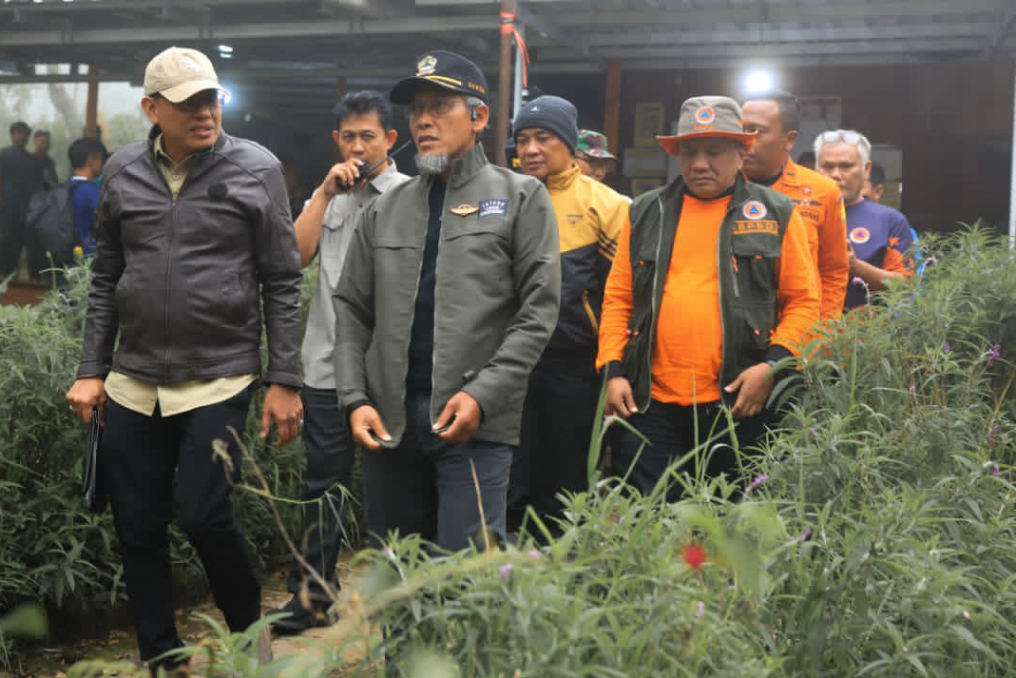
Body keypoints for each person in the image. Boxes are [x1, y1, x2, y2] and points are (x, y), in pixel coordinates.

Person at [65, 46, 303, 673]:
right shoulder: (122, 171)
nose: (205, 113)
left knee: (203, 513)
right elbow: (106, 278)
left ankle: (249, 633)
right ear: (152, 109)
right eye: (188, 103)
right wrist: (91, 370)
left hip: (219, 376)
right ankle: (163, 656)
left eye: (211, 99)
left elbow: (283, 280)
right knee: (136, 524)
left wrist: (284, 378)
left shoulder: (256, 169)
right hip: (133, 380)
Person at [333, 50, 560, 552]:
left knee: (464, 576)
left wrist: (483, 393)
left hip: (475, 423)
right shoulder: (386, 208)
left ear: (479, 117)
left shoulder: (520, 197)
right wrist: (355, 398)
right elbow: (350, 308)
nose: (424, 121)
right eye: (417, 110)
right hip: (390, 424)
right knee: (397, 576)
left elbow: (538, 310)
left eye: (440, 106)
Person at [597, 96, 819, 500]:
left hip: (739, 401)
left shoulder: (775, 213)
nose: (700, 164)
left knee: (734, 519)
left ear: (741, 152)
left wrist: (771, 368)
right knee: (652, 518)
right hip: (650, 404)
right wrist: (613, 371)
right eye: (690, 152)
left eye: (714, 152)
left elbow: (804, 302)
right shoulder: (645, 212)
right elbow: (618, 299)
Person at [271, 91, 410, 635]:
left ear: (390, 139)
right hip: (326, 364)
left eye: (367, 136)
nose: (357, 147)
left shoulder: (410, 195)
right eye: (348, 137)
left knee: (391, 486)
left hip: (388, 370)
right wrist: (324, 194)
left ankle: (396, 595)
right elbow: (293, 258)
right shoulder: (325, 194)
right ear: (336, 140)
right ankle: (311, 597)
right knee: (322, 485)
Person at [508, 96, 629, 534]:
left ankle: (561, 557)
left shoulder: (607, 204)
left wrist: (616, 366)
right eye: (523, 139)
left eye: (544, 138)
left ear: (569, 143)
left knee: (566, 474)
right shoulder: (502, 197)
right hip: (508, 364)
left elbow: (624, 295)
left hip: (573, 364)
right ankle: (505, 560)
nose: (531, 149)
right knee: (510, 471)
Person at [742, 90, 849, 320]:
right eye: (740, 130)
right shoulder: (723, 187)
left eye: (756, 131)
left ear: (789, 139)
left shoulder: (824, 191)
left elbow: (833, 271)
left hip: (801, 329)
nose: (745, 140)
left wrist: (824, 330)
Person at [815, 130, 915, 310]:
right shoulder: (797, 214)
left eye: (846, 166)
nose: (836, 174)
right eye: (827, 166)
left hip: (862, 325)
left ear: (866, 169)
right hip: (805, 324)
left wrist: (855, 266)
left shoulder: (890, 220)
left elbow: (905, 285)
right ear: (816, 170)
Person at [0, 121, 37, 277]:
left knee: (20, 241)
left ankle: (12, 275)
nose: (23, 137)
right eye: (20, 133)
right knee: (5, 239)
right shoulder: (3, 155)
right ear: (13, 135)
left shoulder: (30, 159)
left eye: (26, 134)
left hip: (24, 208)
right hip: (6, 206)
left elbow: (34, 185)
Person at [66, 137, 107, 258]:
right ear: (90, 160)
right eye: (101, 159)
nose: (102, 164)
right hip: (88, 259)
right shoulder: (93, 192)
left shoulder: (63, 190)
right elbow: (105, 228)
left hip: (65, 259)